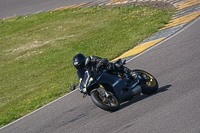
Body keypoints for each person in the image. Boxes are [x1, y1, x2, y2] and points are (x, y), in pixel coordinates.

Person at [72, 53, 137, 80]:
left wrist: (100, 64)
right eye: (77, 67)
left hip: (105, 71)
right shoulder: (85, 71)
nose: (80, 68)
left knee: (109, 66)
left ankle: (131, 72)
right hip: (98, 78)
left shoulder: (91, 59)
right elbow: (83, 79)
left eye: (80, 66)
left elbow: (104, 59)